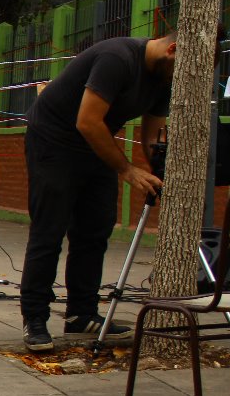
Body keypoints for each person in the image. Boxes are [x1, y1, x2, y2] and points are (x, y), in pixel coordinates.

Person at [20, 32, 175, 352]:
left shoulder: (164, 78)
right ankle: (34, 318)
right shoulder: (117, 59)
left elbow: (150, 137)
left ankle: (81, 314)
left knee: (96, 227)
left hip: (96, 145)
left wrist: (160, 173)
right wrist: (127, 169)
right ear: (172, 50)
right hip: (54, 140)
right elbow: (88, 121)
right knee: (50, 230)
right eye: (180, 68)